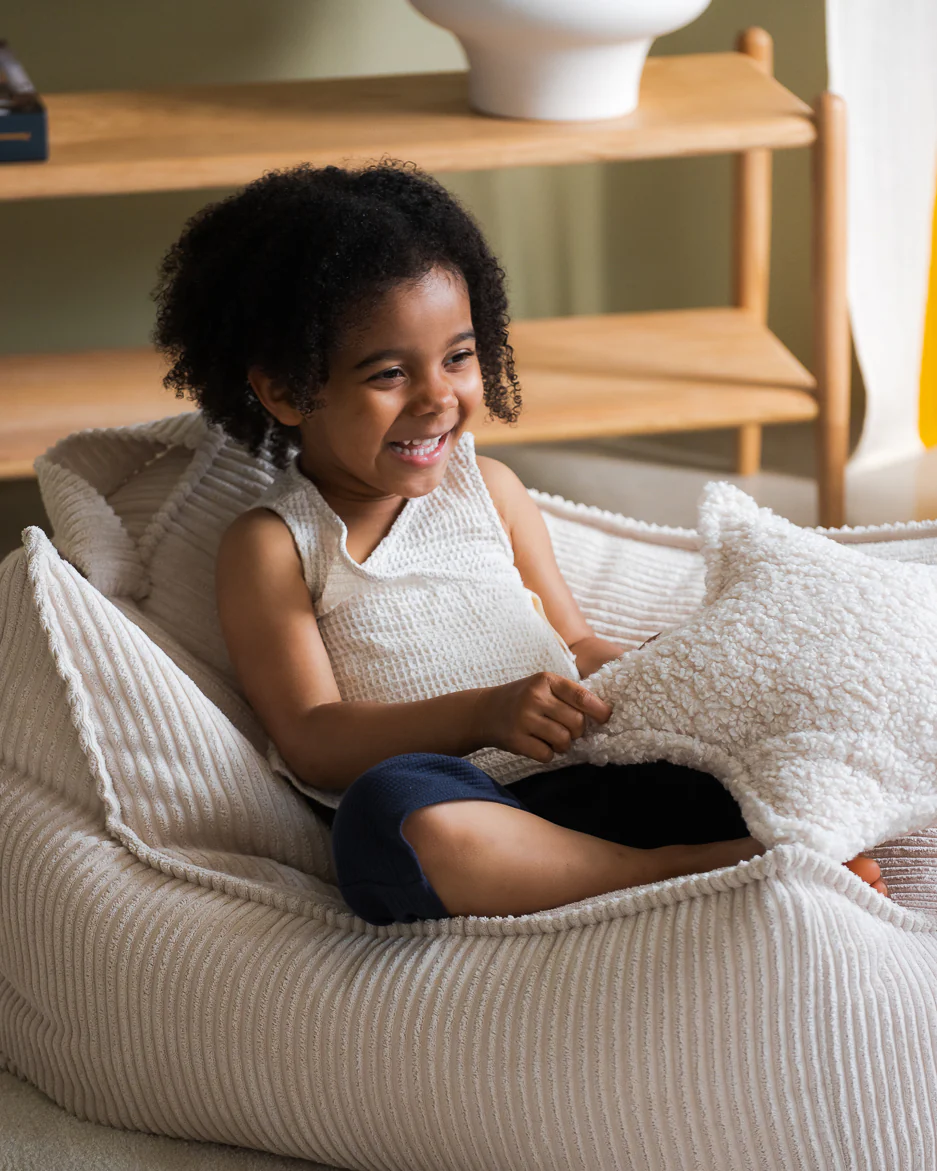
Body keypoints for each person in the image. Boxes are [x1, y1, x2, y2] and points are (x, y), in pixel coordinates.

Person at [153, 160, 887, 925]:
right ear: (283, 390)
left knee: (753, 718)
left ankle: (773, 835)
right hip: (468, 803)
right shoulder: (275, 544)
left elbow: (575, 642)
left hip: (590, 774)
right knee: (389, 820)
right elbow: (311, 737)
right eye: (387, 374)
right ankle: (675, 872)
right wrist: (483, 713)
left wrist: (677, 669)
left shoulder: (491, 490)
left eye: (458, 357)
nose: (438, 397)